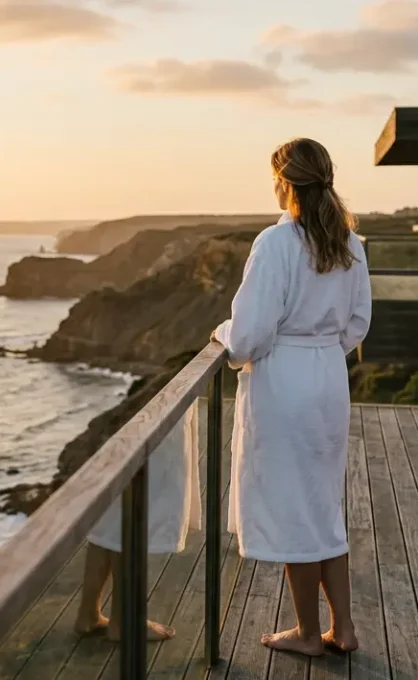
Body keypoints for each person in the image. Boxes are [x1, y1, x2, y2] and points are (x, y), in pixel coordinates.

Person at [212, 137, 372, 656]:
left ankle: (308, 633)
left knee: (294, 507)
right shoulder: (351, 242)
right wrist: (322, 350)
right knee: (323, 505)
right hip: (327, 377)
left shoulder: (275, 244)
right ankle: (342, 628)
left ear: (283, 182)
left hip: (285, 382)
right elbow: (358, 323)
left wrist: (223, 336)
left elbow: (250, 334)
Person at [72, 407, 197, 641]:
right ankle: (125, 620)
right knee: (134, 508)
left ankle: (88, 613)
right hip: (147, 409)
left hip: (116, 406)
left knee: (111, 514)